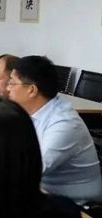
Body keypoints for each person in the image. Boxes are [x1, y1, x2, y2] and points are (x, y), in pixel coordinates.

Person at [8, 56, 102, 204]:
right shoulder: (29, 111)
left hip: (77, 204)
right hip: (41, 191)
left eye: (12, 83)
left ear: (31, 90)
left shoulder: (64, 124)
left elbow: (31, 169)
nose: (8, 88)